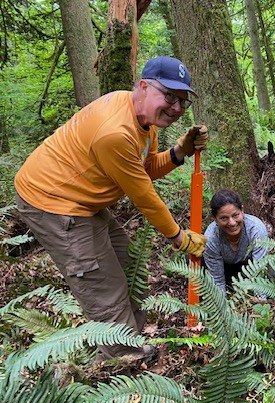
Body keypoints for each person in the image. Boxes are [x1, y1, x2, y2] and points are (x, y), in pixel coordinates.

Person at [14, 56, 209, 362]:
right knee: (105, 287)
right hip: (52, 202)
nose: (176, 108)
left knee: (130, 268)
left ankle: (128, 339)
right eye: (169, 97)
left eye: (182, 101)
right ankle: (121, 362)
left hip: (84, 200)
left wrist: (179, 151)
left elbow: (142, 169)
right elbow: (144, 195)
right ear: (143, 87)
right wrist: (178, 237)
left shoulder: (141, 116)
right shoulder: (115, 132)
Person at [203, 189, 268, 292]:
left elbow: (259, 272)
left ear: (242, 211)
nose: (232, 223)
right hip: (225, 269)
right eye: (224, 218)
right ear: (215, 219)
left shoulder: (256, 229)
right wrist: (221, 306)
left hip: (250, 267)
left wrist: (261, 303)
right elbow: (217, 280)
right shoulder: (211, 238)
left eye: (235, 215)